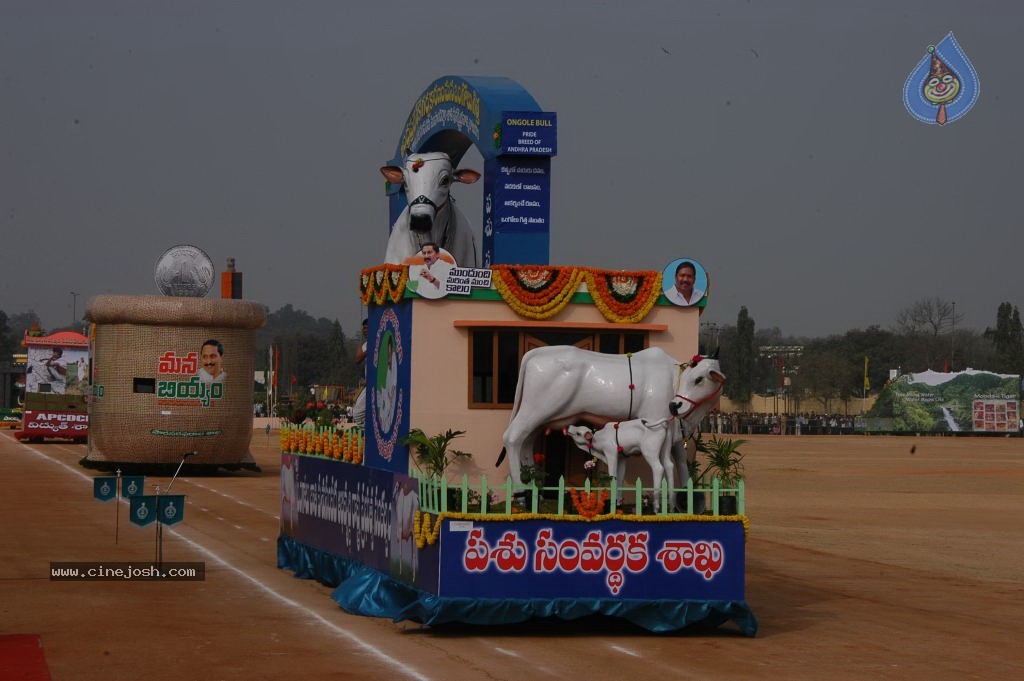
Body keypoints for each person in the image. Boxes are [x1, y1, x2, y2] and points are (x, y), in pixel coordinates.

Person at [352, 319, 368, 426]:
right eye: (363, 328)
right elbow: (357, 359)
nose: (364, 330)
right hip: (368, 383)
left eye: (367, 327)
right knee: (357, 413)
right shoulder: (365, 344)